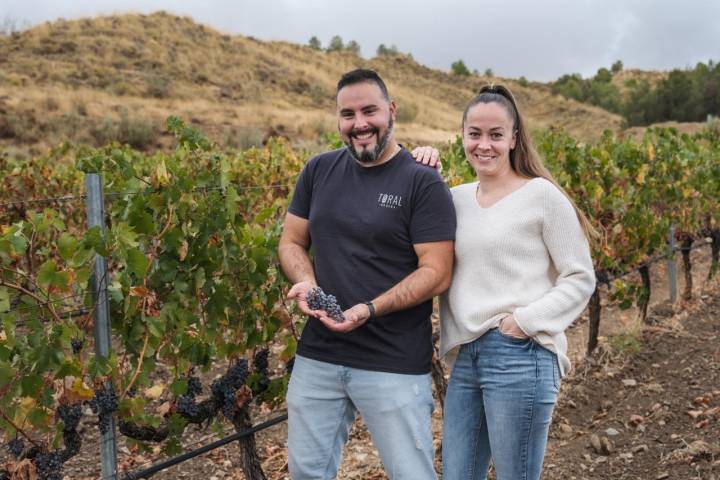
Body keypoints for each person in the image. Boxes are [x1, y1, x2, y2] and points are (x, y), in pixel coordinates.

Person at [278, 68, 456, 480]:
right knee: (306, 473)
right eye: (348, 114)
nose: (359, 124)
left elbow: (438, 271)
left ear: (391, 111)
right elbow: (291, 242)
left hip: (393, 361)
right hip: (318, 355)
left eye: (369, 110)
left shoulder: (421, 180)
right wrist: (305, 281)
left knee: (411, 473)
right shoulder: (318, 170)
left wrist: (368, 310)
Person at [415, 84, 595, 480]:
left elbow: (580, 276)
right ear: (462, 136)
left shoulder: (541, 196)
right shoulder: (455, 199)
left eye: (496, 135)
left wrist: (524, 322)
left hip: (521, 354)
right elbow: (415, 231)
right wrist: (420, 171)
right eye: (474, 134)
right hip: (466, 357)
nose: (484, 144)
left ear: (514, 138)